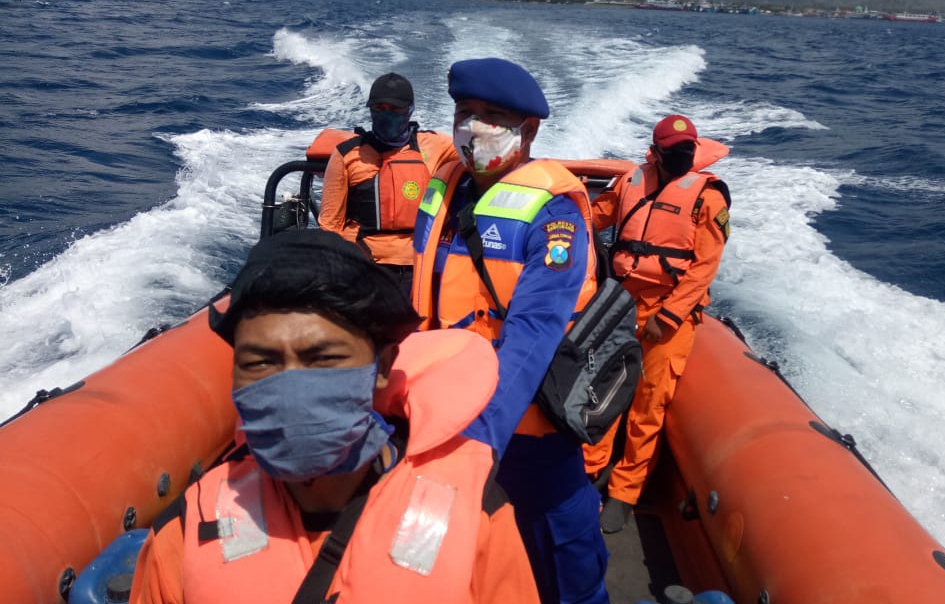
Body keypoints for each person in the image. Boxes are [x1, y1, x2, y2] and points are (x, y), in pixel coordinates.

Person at [129, 229, 538, 603]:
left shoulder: (476, 510)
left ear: (381, 367)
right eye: (259, 362)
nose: (290, 385)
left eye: (322, 358)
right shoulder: (185, 526)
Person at [410, 58, 609, 604]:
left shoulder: (554, 214)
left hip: (523, 429)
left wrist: (481, 439)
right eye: (464, 112)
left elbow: (535, 329)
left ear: (529, 130)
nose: (473, 126)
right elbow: (422, 290)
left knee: (562, 569)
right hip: (436, 415)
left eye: (491, 116)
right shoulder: (446, 188)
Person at [588, 114, 732, 534]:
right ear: (656, 151)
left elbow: (705, 267)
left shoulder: (708, 196)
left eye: (689, 151)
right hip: (621, 301)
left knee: (649, 404)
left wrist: (668, 315)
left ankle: (624, 492)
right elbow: (595, 217)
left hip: (669, 312)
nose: (682, 158)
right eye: (674, 152)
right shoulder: (631, 180)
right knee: (601, 390)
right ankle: (590, 469)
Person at [318, 72, 457, 293]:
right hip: (364, 266)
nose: (386, 115)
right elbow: (330, 225)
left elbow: (477, 156)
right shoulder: (347, 154)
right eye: (379, 108)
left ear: (409, 110)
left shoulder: (436, 146)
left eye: (395, 109)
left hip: (421, 263)